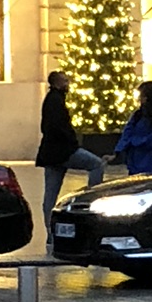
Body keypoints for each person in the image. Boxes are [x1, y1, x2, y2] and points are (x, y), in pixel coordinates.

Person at [36, 70, 104, 220]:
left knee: (50, 195)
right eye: (65, 81)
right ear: (57, 83)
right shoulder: (56, 101)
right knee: (96, 164)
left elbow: (46, 127)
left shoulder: (51, 99)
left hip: (50, 153)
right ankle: (90, 199)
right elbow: (60, 127)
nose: (68, 84)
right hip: (63, 151)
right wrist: (72, 142)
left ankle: (50, 233)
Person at [116, 81, 152, 177]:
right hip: (135, 163)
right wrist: (117, 151)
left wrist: (135, 141)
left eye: (142, 96)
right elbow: (127, 132)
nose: (140, 100)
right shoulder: (137, 115)